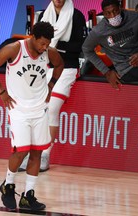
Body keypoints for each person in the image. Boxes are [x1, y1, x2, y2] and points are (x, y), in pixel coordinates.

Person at [0, 21, 64, 210]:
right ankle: (8, 185)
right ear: (33, 37)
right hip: (18, 108)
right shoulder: (14, 49)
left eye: (47, 44)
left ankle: (28, 195)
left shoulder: (49, 52)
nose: (45, 47)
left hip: (39, 109)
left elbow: (60, 64)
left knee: (37, 152)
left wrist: (51, 85)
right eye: (42, 43)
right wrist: (2, 92)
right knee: (21, 151)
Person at [19, 0, 87, 172]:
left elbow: (80, 46)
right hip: (45, 67)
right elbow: (35, 43)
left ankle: (45, 154)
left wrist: (56, 46)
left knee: (52, 108)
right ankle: (31, 153)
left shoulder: (77, 16)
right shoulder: (43, 15)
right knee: (36, 108)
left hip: (68, 67)